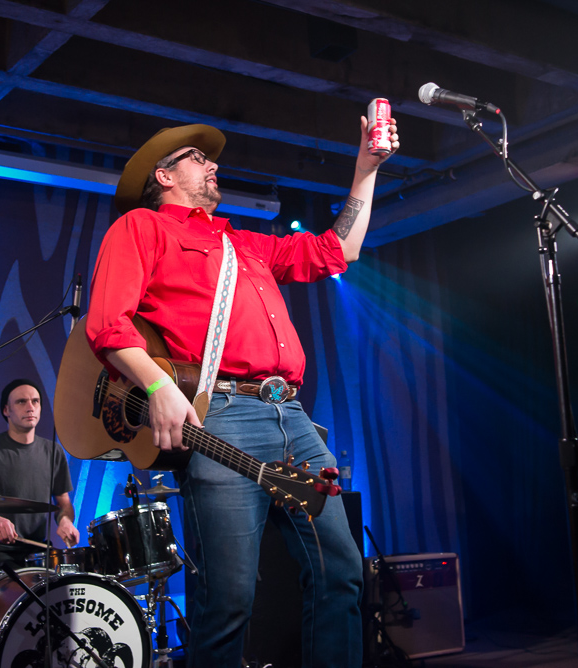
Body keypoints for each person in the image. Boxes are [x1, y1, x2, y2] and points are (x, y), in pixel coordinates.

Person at [85, 115, 398, 666]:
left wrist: (365, 169)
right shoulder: (141, 227)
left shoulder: (244, 242)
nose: (212, 164)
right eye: (196, 158)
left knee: (342, 572)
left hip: (292, 417)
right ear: (164, 176)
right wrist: (157, 384)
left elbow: (338, 250)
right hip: (221, 415)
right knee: (228, 599)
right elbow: (108, 324)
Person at [0, 378, 79, 571]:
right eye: (21, 402)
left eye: (35, 401)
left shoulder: (54, 451)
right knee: (18, 583)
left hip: (36, 552)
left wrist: (65, 521)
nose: (30, 407)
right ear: (6, 410)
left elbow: (64, 504)